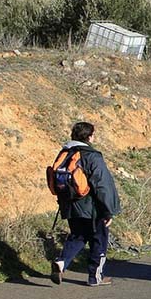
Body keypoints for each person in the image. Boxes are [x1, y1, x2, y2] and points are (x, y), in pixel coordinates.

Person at [48, 121, 121, 286]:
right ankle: (95, 277)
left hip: (70, 205)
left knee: (78, 236)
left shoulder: (65, 153)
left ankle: (61, 262)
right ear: (89, 136)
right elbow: (102, 185)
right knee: (99, 240)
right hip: (93, 207)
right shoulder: (92, 155)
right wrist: (108, 210)